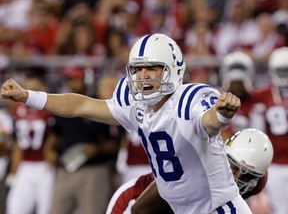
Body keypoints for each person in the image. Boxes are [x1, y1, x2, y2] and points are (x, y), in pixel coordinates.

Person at [0, 33, 252, 213]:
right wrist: (27, 97)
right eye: (138, 70)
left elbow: (210, 121)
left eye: (152, 68)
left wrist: (223, 114)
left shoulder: (188, 100)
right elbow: (80, 105)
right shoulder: (135, 104)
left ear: (173, 70)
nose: (143, 77)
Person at [106, 128, 274, 214]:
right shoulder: (197, 168)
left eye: (246, 175)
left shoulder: (256, 183)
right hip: (140, 202)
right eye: (234, 167)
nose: (237, 177)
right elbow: (140, 211)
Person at [48, 66, 121, 214]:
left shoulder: (99, 106)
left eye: (75, 79)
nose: (71, 83)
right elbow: (53, 138)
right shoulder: (62, 107)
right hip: (66, 171)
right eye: (69, 79)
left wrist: (97, 149)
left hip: (93, 172)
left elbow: (115, 143)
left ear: (86, 80)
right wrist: (50, 153)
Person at [5, 71, 55, 214]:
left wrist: (50, 150)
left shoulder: (50, 109)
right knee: (15, 208)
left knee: (46, 209)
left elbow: (55, 135)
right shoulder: (18, 109)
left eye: (35, 88)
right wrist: (13, 172)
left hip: (45, 166)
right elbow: (17, 144)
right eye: (28, 88)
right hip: (25, 166)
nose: (31, 93)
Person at [250, 46, 288, 214]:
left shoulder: (263, 94)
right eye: (281, 70)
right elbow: (257, 132)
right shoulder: (263, 94)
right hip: (275, 164)